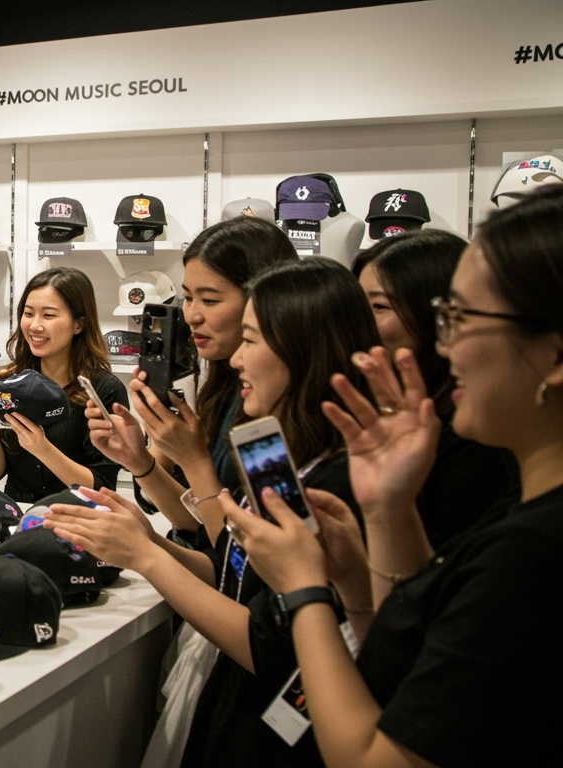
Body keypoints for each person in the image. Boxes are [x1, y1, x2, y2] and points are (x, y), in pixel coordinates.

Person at [227, 185, 563, 768]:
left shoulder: (534, 553)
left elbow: (374, 758)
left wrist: (305, 589)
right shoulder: (522, 517)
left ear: (554, 357)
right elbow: (408, 668)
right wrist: (386, 516)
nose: (444, 344)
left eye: (459, 318)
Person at [47, 257, 381, 768]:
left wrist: (147, 557)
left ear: (303, 347)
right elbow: (232, 570)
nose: (238, 359)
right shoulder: (279, 449)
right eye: (188, 298)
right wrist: (147, 538)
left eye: (251, 340)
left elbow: (269, 641)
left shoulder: (338, 482)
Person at [88, 217, 298, 543]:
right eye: (187, 298)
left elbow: (239, 552)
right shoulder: (224, 387)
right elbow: (201, 528)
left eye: (210, 300)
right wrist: (140, 459)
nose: (192, 315)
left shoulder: (282, 405)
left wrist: (192, 460)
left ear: (265, 299)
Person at [351, 231, 518, 547]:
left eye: (379, 306)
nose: (359, 323)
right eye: (358, 306)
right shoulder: (364, 406)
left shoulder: (472, 439)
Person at [0, 266, 128, 501]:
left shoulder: (103, 390)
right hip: (21, 517)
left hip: (79, 519)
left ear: (79, 324)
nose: (35, 325)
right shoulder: (9, 381)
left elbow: (102, 486)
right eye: (28, 313)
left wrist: (42, 448)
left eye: (48, 315)